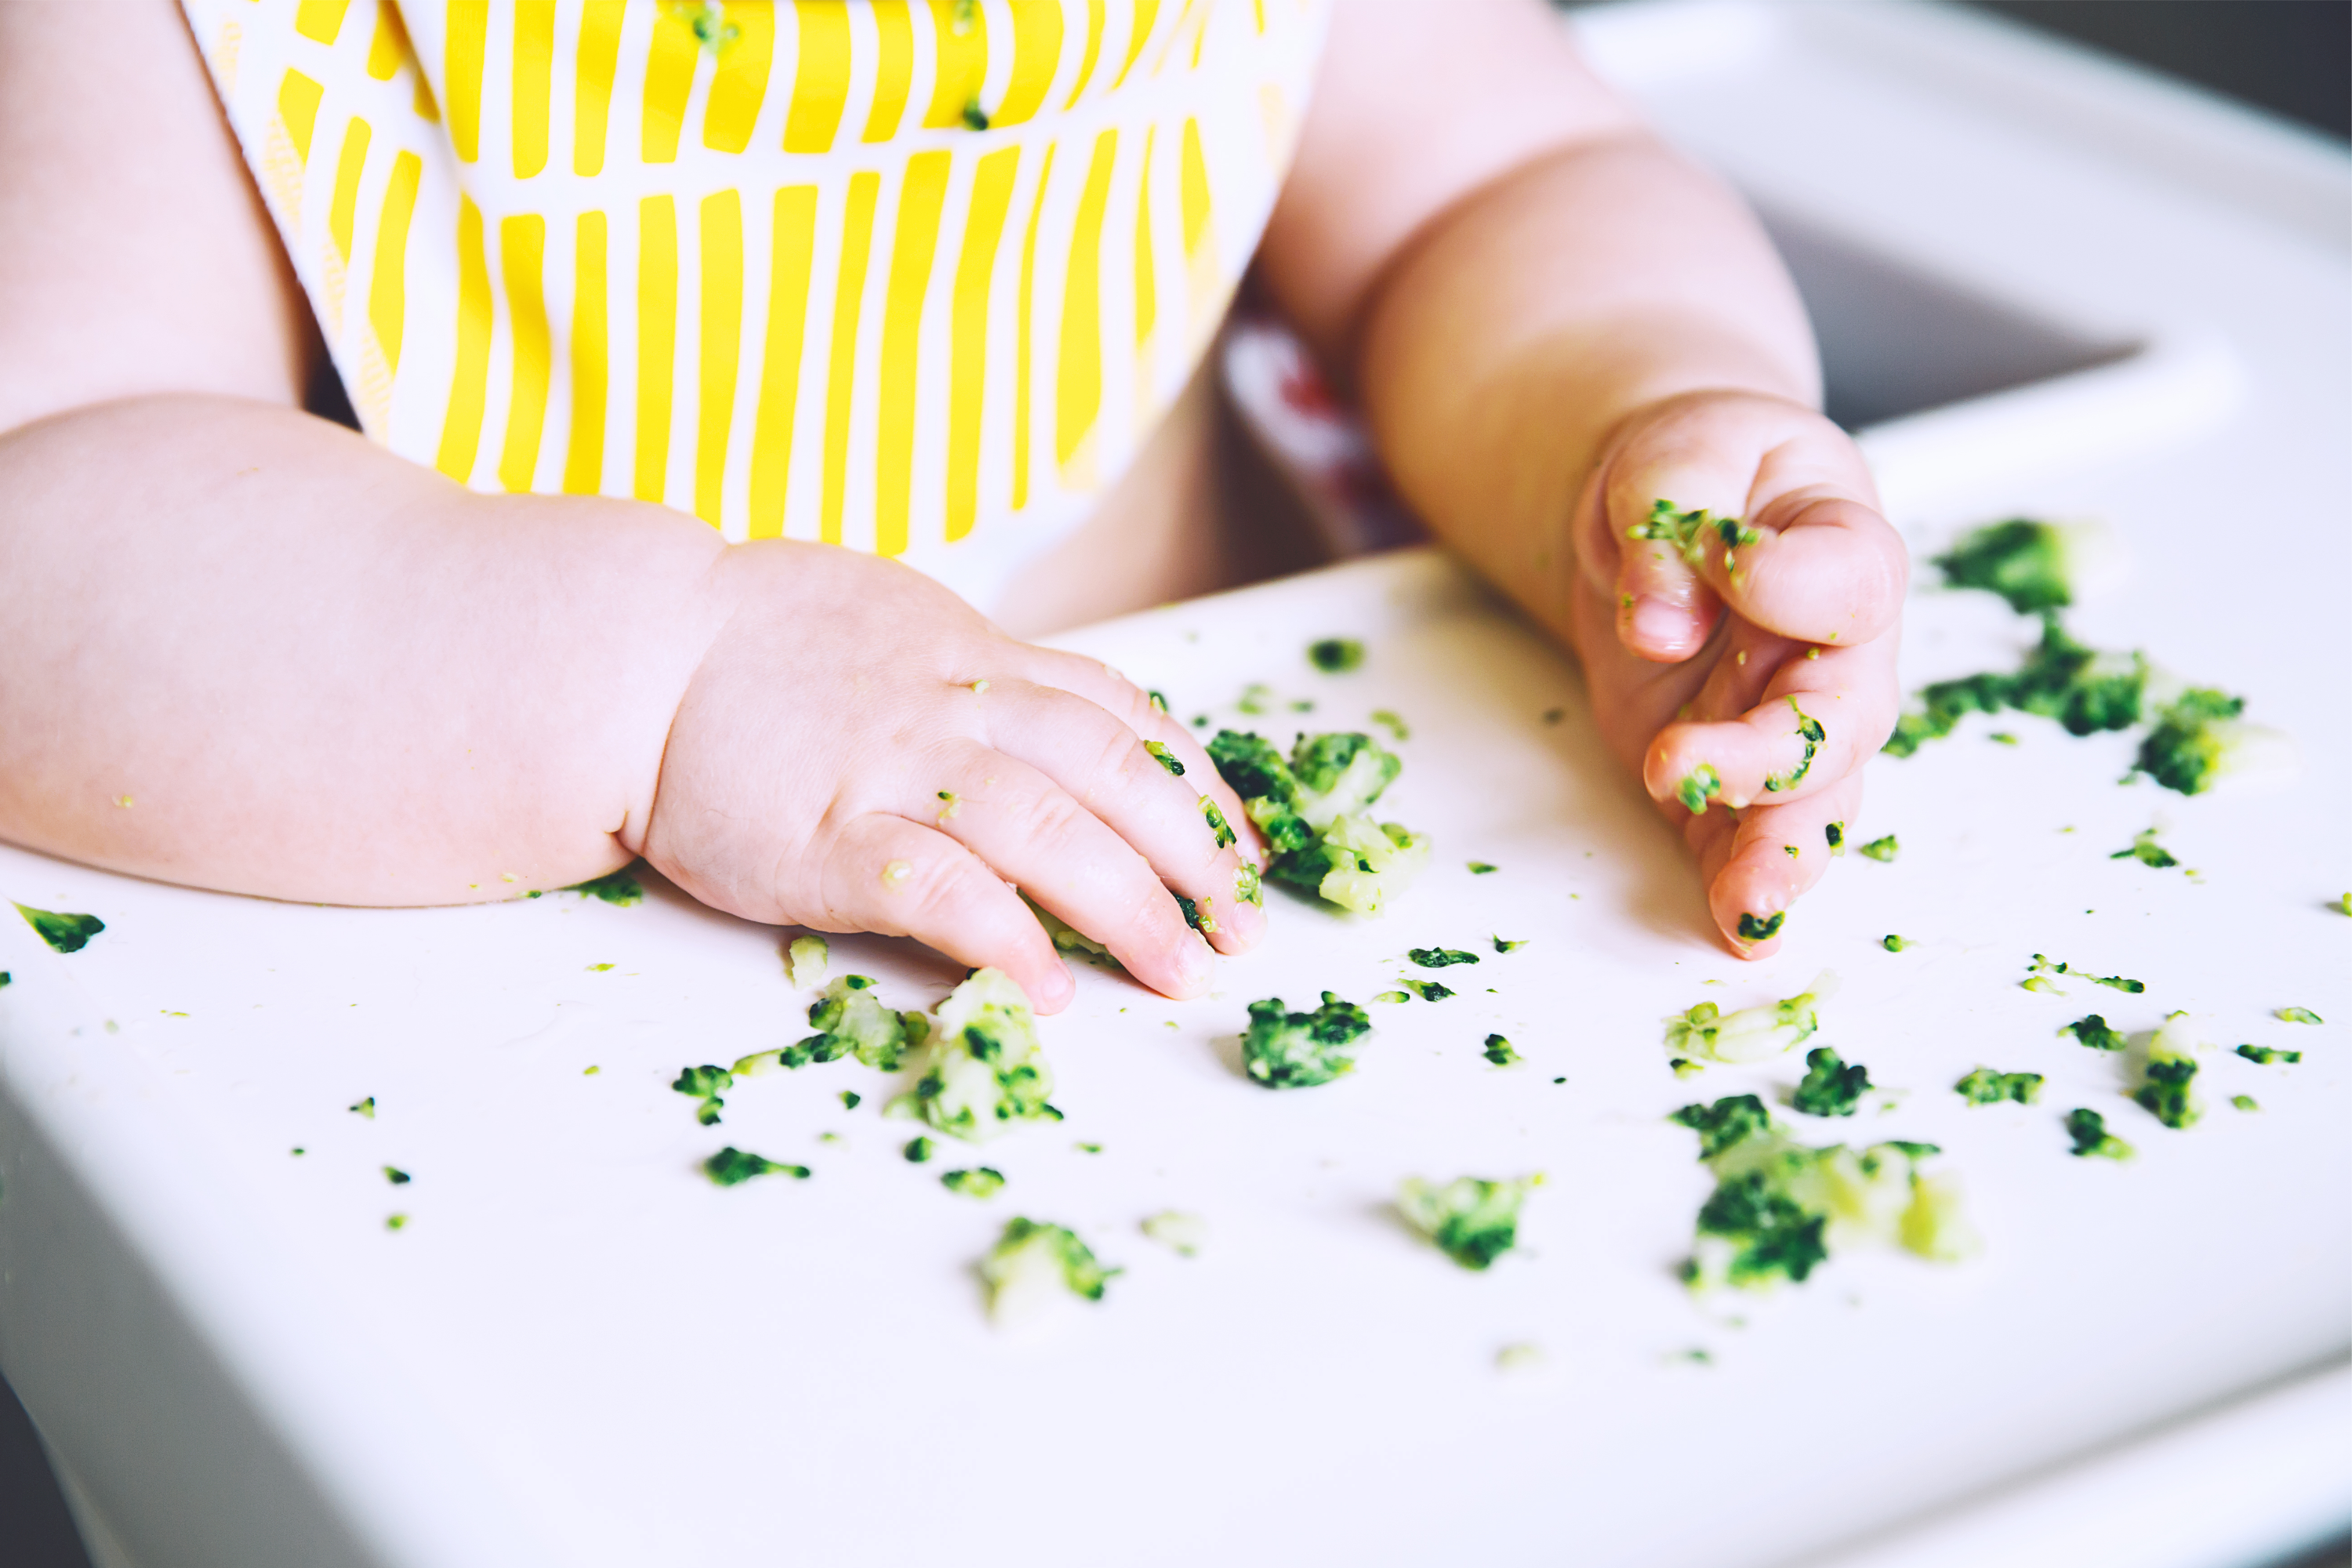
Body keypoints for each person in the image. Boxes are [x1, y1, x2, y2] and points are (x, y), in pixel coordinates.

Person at [0, 0, 1903, 1013]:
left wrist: (1634, 433)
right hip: (542, 968)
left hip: (1249, 875)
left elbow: (1484, 188)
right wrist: (665, 681)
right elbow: (53, 503)